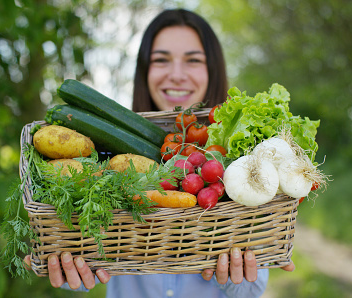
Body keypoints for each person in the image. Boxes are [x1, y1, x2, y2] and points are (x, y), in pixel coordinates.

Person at [25, 8, 295, 297]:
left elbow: (251, 292)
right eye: (161, 60)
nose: (176, 75)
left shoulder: (242, 163)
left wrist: (235, 278)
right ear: (145, 71)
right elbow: (84, 253)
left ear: (212, 70)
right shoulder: (104, 149)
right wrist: (72, 270)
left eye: (193, 60)